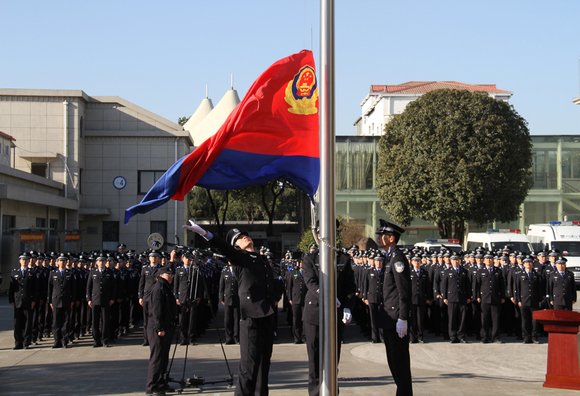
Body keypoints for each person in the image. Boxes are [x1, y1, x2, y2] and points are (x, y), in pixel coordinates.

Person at [184, 221, 276, 396]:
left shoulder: (262, 259)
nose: (245, 237)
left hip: (267, 318)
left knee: (264, 370)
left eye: (245, 235)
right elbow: (223, 247)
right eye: (240, 238)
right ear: (236, 246)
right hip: (251, 319)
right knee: (248, 370)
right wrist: (205, 233)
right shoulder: (239, 258)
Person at [302, 223, 356, 396]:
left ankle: (332, 392)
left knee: (333, 361)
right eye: (323, 233)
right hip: (314, 315)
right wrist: (328, 297)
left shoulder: (343, 258)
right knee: (315, 362)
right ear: (318, 236)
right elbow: (311, 283)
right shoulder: (310, 259)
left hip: (336, 314)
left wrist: (348, 307)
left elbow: (349, 286)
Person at [375, 219, 413, 396]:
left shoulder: (397, 258)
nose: (380, 238)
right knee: (394, 363)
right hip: (388, 318)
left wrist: (403, 318)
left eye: (383, 235)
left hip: (396, 318)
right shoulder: (389, 256)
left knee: (400, 364)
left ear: (391, 238)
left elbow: (403, 291)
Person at [146, 266, 178, 396]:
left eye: (171, 274)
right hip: (157, 328)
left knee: (163, 358)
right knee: (157, 358)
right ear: (160, 276)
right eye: (167, 275)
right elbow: (156, 311)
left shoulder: (165, 287)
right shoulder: (158, 288)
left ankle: (161, 383)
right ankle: (152, 386)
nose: (170, 277)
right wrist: (159, 328)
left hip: (166, 326)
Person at [9, 252, 39, 350]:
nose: (24, 261)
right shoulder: (15, 272)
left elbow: (35, 289)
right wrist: (11, 301)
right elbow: (11, 289)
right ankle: (18, 343)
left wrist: (34, 300)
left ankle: (26, 342)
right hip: (17, 302)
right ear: (19, 261)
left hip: (28, 301)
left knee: (27, 323)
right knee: (17, 323)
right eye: (22, 259)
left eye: (26, 259)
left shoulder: (32, 273)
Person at [86, 253, 117, 347]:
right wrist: (89, 299)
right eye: (100, 261)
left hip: (105, 299)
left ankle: (105, 340)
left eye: (103, 261)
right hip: (95, 299)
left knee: (105, 321)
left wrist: (112, 298)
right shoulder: (92, 272)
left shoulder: (109, 272)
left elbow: (113, 287)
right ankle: (96, 340)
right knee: (95, 322)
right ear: (96, 263)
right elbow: (89, 286)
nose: (101, 263)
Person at [48, 253, 76, 348]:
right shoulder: (53, 273)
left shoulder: (70, 273)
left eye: (64, 261)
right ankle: (57, 341)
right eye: (60, 261)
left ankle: (65, 340)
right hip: (56, 301)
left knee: (66, 322)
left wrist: (72, 300)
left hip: (66, 300)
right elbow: (50, 288)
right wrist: (50, 301)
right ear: (57, 262)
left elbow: (73, 289)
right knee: (56, 322)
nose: (62, 263)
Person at [219, 261, 240, 345]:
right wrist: (222, 298)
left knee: (237, 319)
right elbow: (222, 286)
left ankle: (236, 337)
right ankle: (228, 337)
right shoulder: (225, 272)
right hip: (227, 298)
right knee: (228, 320)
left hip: (237, 298)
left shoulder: (238, 271)